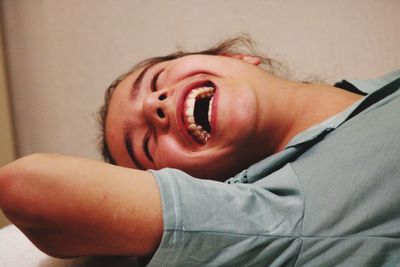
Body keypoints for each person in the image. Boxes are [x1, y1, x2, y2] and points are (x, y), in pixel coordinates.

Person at [0, 37, 399, 266]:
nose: (155, 106)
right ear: (197, 187)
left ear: (231, 57)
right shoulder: (271, 216)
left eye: (155, 80)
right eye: (144, 147)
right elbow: (31, 189)